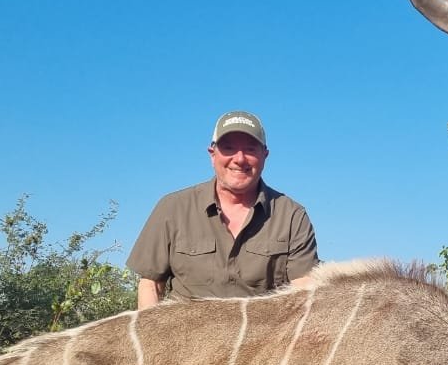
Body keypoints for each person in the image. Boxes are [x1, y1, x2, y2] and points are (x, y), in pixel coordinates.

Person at [127, 110, 318, 308]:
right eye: (228, 148)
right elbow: (151, 285)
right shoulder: (172, 208)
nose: (240, 159)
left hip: (263, 337)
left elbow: (304, 292)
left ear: (265, 155)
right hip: (185, 336)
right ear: (212, 154)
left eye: (250, 149)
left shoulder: (292, 216)